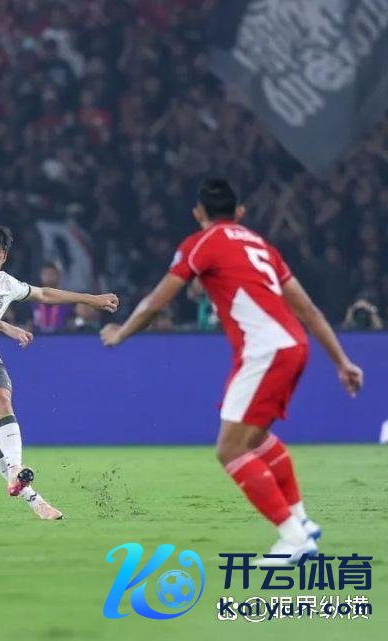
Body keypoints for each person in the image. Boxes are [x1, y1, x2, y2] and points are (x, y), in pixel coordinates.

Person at [100, 179, 364, 565]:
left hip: (266, 350)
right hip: (292, 345)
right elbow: (308, 310)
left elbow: (157, 302)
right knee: (255, 438)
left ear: (198, 212)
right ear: (239, 212)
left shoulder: (201, 244)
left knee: (230, 449)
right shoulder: (262, 247)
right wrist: (342, 361)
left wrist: (120, 334)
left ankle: (292, 538)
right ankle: (302, 523)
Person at [0, 222, 119, 520]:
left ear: (4, 258)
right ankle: (35, 500)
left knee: (2, 402)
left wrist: (91, 299)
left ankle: (15, 469)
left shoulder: (6, 284)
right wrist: (4, 326)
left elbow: (44, 294)